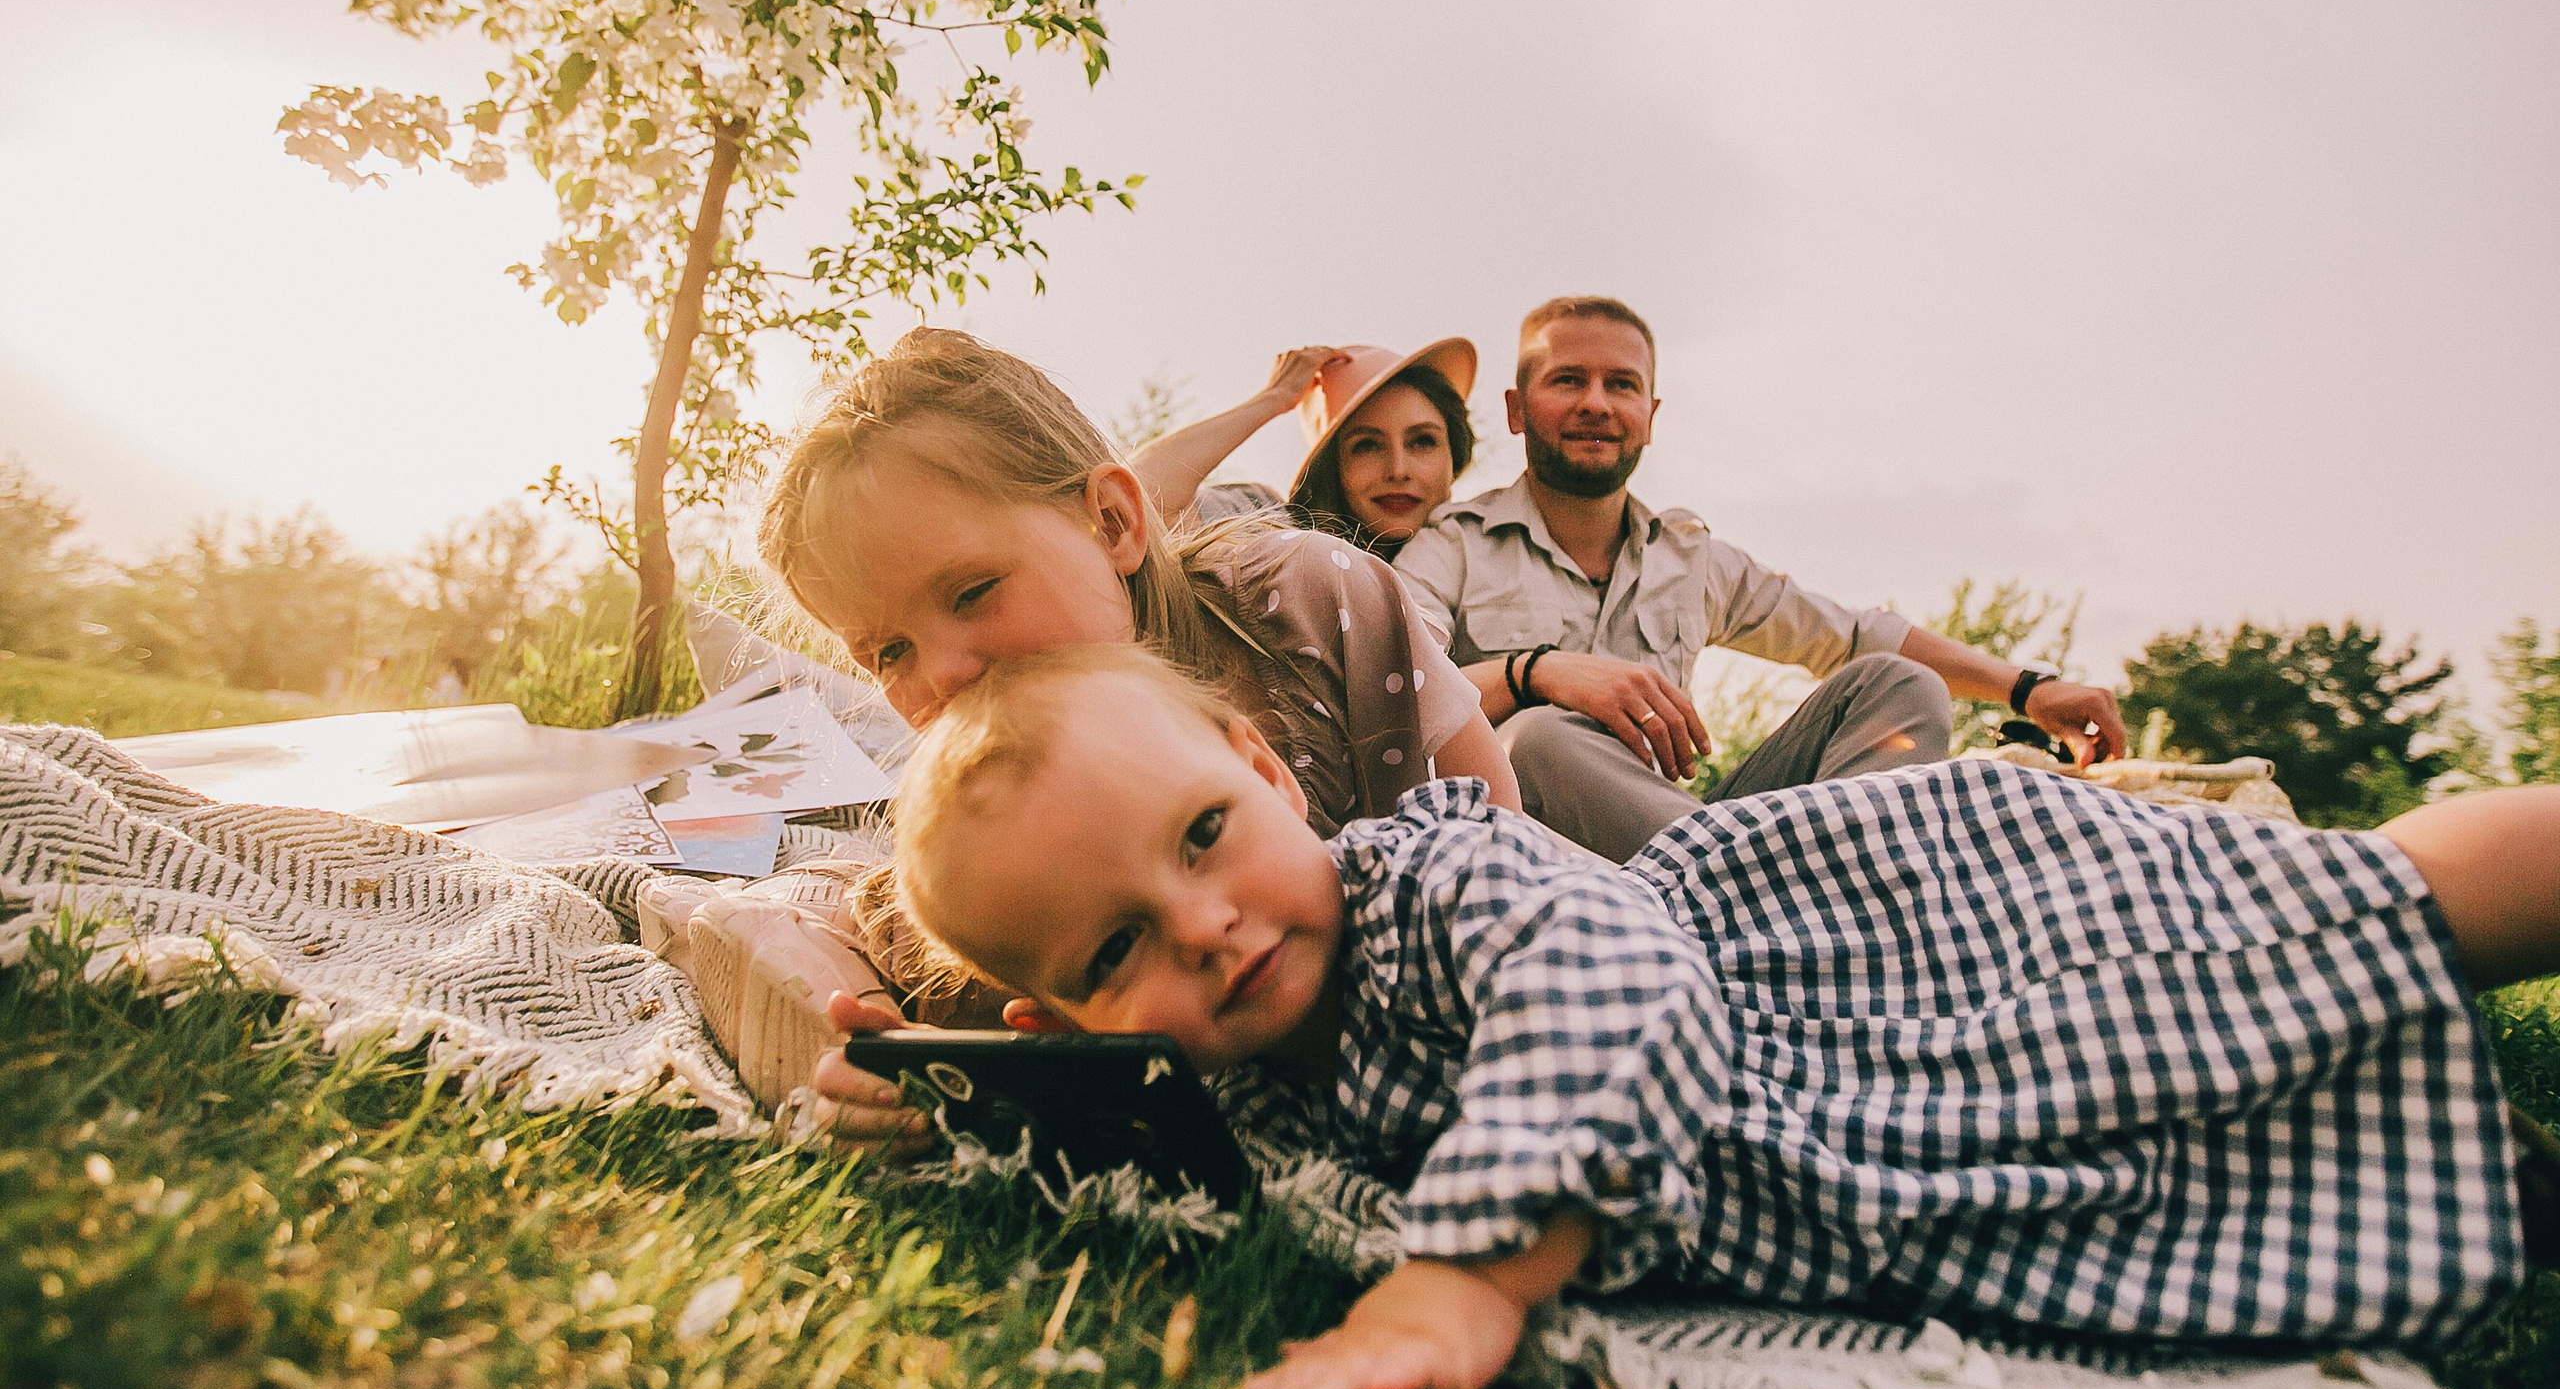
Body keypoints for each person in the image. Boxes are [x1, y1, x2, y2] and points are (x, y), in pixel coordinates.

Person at [890, 642, 2559, 1389]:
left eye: (1201, 832)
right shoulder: (1227, 1071)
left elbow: (1610, 985)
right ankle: (2479, 1163)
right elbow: (1086, 1118)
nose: (1198, 926)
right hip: (1887, 1149)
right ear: (1072, 1013)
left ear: (1265, 767)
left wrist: (1468, 1270)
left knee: (2347, 906)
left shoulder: (1444, 874)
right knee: (2203, 1159)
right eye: (1115, 946)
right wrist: (931, 1072)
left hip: (1917, 964)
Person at [751, 326, 1521, 1143]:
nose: (941, 677)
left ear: (1113, 521)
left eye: (973, 591)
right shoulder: (995, 818)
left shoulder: (1304, 602)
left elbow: (1504, 827)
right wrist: (873, 1036)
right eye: (888, 652)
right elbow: (813, 906)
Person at [1394, 294, 2131, 861]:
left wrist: (2030, 688)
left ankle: (1781, 888)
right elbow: (1396, 685)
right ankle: (1793, 892)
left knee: (1897, 685)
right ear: (1518, 411)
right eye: (1568, 380)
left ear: (1649, 416)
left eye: (1621, 385)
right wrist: (1535, 672)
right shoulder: (1451, 543)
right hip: (1546, 851)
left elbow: (1849, 634)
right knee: (1538, 739)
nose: (1596, 402)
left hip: (1682, 838)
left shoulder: (1690, 559)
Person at [1130, 339, 1478, 557]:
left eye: (1422, 441)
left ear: (1454, 455)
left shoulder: (1484, 550)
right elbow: (1136, 498)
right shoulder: (1269, 526)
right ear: (1331, 465)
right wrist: (1272, 399)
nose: (1398, 469)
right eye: (1367, 446)